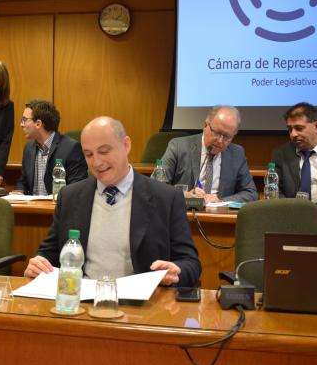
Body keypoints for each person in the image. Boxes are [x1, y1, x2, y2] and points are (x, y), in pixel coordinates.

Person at [24, 116, 201, 287]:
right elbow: (49, 253)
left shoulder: (166, 198)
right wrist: (39, 264)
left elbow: (190, 263)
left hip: (141, 302)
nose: (97, 162)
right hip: (82, 299)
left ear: (126, 145)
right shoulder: (70, 196)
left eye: (104, 151)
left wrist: (177, 271)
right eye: (88, 154)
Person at [161, 106, 257, 203]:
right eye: (217, 133)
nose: (220, 141)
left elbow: (251, 193)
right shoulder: (178, 147)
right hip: (185, 210)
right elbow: (158, 185)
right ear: (205, 125)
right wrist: (184, 195)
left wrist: (221, 200)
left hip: (219, 211)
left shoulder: (237, 153)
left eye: (227, 137)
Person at [14, 99, 87, 195]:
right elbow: (23, 181)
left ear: (38, 124)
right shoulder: (29, 148)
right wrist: (19, 192)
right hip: (31, 204)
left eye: (24, 120)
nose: (21, 124)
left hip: (57, 203)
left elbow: (77, 188)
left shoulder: (71, 149)